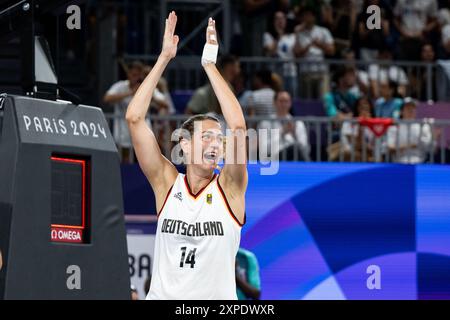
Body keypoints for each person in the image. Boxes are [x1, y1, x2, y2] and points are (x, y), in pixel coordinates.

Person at [126, 12, 247, 300]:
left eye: (219, 139)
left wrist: (209, 65)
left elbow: (239, 126)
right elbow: (134, 118)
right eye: (207, 137)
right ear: (185, 146)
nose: (216, 144)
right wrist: (164, 58)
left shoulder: (229, 188)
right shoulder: (167, 184)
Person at [103, 61, 147, 158]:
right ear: (128, 73)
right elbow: (107, 98)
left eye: (137, 75)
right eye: (133, 74)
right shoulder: (120, 86)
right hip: (123, 130)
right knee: (125, 157)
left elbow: (164, 104)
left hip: (142, 129)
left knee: (145, 158)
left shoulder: (145, 87)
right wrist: (130, 93)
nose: (134, 77)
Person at [293, 5, 335, 98]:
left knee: (323, 99)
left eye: (308, 15)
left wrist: (318, 44)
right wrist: (298, 35)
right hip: (305, 72)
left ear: (314, 17)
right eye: (303, 15)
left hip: (321, 72)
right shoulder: (299, 33)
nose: (306, 18)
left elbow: (332, 51)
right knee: (307, 101)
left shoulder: (323, 31)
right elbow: (296, 53)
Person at [258, 91, 310, 161]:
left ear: (290, 103)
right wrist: (282, 132)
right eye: (281, 101)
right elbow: (264, 148)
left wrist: (294, 134)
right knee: (293, 149)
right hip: (274, 158)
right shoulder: (265, 123)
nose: (284, 104)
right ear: (274, 103)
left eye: (286, 101)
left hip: (295, 158)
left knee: (295, 149)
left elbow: (306, 149)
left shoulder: (298, 123)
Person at [387, 98, 433, 164]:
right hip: (399, 164)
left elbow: (430, 148)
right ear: (401, 111)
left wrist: (434, 136)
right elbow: (390, 148)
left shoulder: (423, 126)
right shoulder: (394, 128)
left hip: (420, 164)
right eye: (407, 108)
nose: (410, 110)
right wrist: (411, 145)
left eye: (413, 108)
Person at [263, 11, 298, 96]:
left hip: (290, 72)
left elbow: (297, 53)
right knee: (277, 96)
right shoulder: (267, 36)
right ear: (273, 21)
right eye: (277, 18)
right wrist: (278, 36)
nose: (280, 21)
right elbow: (271, 51)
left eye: (282, 18)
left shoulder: (292, 36)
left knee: (291, 98)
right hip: (275, 74)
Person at [339, 96, 376, 162]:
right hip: (351, 153)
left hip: (368, 153)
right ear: (356, 107)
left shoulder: (376, 123)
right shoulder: (349, 122)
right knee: (357, 156)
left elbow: (375, 146)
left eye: (366, 105)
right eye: (360, 105)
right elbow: (357, 145)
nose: (364, 107)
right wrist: (361, 125)